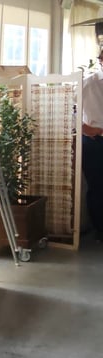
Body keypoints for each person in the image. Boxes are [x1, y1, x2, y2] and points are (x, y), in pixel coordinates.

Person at [81, 50, 103, 242]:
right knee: (97, 186)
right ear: (100, 60)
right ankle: (100, 230)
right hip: (95, 142)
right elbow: (69, 110)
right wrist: (87, 129)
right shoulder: (88, 83)